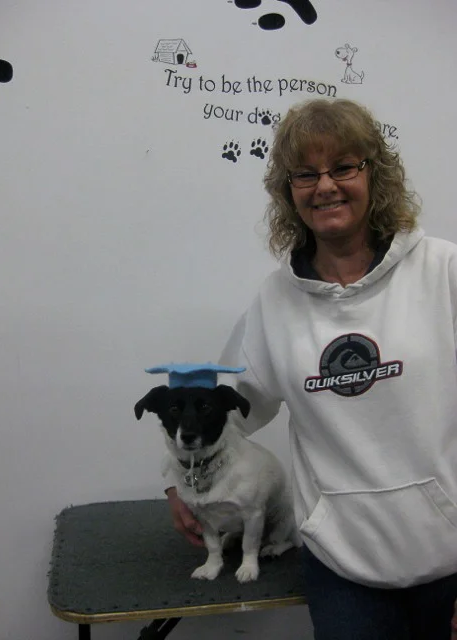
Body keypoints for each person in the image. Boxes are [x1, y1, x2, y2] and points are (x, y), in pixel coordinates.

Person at [164, 98, 457, 639]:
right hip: (343, 568)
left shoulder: (444, 271)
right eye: (305, 174)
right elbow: (218, 409)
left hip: (450, 561)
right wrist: (174, 482)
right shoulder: (275, 302)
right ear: (289, 191)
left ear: (375, 174)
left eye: (343, 167)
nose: (325, 186)